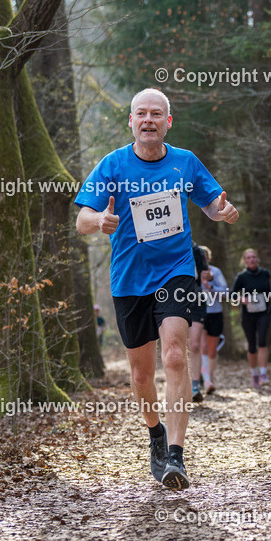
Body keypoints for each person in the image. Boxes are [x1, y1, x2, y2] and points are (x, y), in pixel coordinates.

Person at [74, 88, 239, 490]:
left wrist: (223, 212)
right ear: (130, 121)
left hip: (176, 271)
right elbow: (82, 219)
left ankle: (176, 456)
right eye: (141, 114)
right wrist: (100, 222)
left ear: (168, 122)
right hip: (130, 278)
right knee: (141, 373)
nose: (148, 120)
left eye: (156, 114)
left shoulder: (185, 163)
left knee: (176, 356)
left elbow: (211, 204)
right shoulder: (113, 165)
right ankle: (156, 435)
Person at [232, 248, 271, 389]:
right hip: (248, 314)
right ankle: (254, 374)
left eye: (254, 257)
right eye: (248, 257)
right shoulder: (241, 277)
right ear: (245, 260)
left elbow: (269, 291)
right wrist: (240, 298)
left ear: (258, 259)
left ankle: (263, 373)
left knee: (262, 341)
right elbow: (232, 294)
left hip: (264, 312)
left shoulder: (265, 274)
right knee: (251, 345)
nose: (252, 259)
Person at [198, 245, 227, 394]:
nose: (203, 259)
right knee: (202, 347)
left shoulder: (216, 272)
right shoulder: (193, 272)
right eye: (200, 256)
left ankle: (209, 376)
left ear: (209, 258)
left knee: (212, 350)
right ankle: (207, 381)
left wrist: (210, 286)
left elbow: (226, 293)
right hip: (199, 313)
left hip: (215, 313)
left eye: (205, 256)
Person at [188, 243, 211, 403]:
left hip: (196, 298)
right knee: (177, 346)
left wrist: (208, 277)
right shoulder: (165, 244)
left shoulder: (197, 251)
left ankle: (195, 386)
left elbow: (206, 273)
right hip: (172, 298)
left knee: (194, 345)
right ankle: (181, 385)